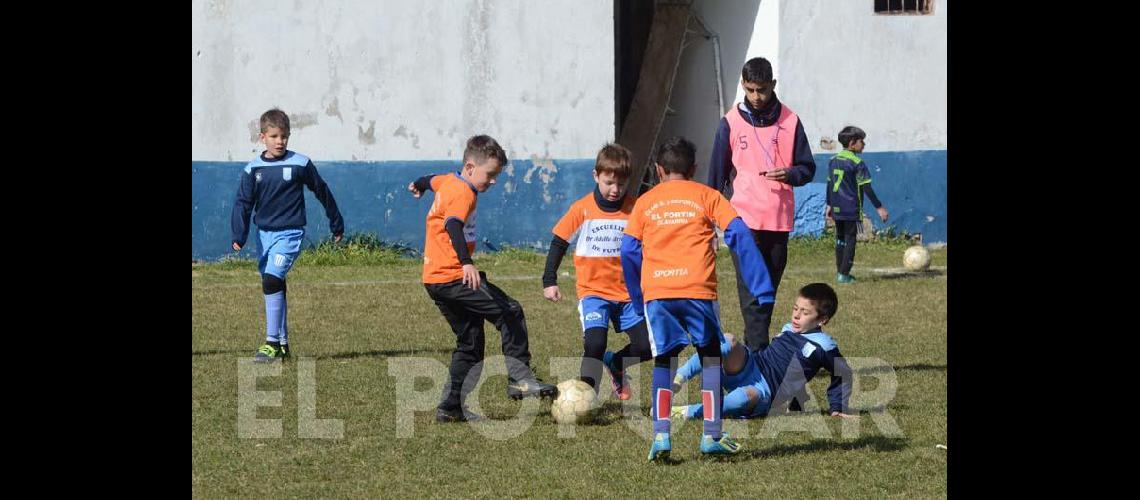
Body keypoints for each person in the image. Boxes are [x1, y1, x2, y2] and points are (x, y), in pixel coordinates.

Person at [621, 136, 775, 461]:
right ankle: (711, 435)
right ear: (693, 169)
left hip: (658, 293)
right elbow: (738, 234)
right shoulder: (708, 195)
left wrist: (637, 297)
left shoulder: (645, 202)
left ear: (658, 169)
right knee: (710, 358)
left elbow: (629, 250)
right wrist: (760, 285)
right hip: (697, 290)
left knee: (664, 360)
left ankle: (661, 436)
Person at [408, 134, 557, 423]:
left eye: (496, 176)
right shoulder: (463, 193)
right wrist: (466, 263)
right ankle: (520, 378)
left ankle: (451, 408)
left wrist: (418, 184)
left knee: (470, 343)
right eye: (490, 175)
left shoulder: (450, 181)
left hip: (434, 279)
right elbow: (453, 224)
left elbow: (431, 179)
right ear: (470, 167)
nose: (492, 182)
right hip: (454, 276)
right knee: (509, 311)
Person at [706, 56, 817, 352]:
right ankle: (758, 355)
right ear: (743, 85)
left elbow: (808, 168)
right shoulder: (729, 123)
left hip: (778, 221)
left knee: (767, 293)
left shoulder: (791, 121)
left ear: (773, 86)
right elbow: (715, 178)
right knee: (753, 292)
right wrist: (707, 227)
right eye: (751, 90)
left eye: (763, 90)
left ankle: (756, 349)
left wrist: (791, 173)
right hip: (743, 221)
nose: (757, 97)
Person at [231, 108, 344, 362]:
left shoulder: (300, 163)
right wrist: (240, 234)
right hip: (264, 236)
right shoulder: (253, 170)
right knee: (274, 285)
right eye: (274, 136)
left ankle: (270, 343)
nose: (280, 141)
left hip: (290, 234)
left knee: (271, 279)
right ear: (262, 138)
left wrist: (336, 222)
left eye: (284, 136)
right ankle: (283, 344)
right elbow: (243, 203)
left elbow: (321, 191)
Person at [542, 143, 652, 400]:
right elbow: (559, 242)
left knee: (648, 346)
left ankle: (617, 364)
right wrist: (549, 280)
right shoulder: (581, 209)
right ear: (596, 176)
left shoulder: (636, 209)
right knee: (595, 344)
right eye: (609, 183)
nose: (615, 190)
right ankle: (586, 398)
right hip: (594, 294)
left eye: (621, 184)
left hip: (628, 295)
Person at [671, 283, 855, 421]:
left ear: (822, 320)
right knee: (728, 340)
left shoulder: (824, 345)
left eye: (805, 313)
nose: (796, 316)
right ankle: (678, 377)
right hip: (751, 366)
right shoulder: (788, 328)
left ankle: (686, 412)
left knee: (743, 398)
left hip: (763, 391)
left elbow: (843, 373)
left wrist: (837, 406)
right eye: (795, 309)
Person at [826, 126, 889, 284]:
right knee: (850, 239)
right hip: (850, 207)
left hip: (836, 206)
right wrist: (879, 207)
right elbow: (866, 187)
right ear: (853, 143)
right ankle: (844, 274)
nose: (864, 144)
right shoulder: (857, 162)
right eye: (862, 141)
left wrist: (828, 205)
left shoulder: (833, 160)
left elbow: (829, 184)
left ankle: (840, 271)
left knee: (840, 238)